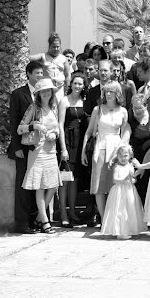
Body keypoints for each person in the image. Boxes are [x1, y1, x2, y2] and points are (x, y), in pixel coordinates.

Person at [17, 77, 63, 235]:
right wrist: (34, 126)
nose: (45, 93)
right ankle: (44, 221)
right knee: (40, 186)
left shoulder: (54, 107)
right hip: (37, 151)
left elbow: (57, 127)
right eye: (42, 91)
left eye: (48, 90)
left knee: (52, 185)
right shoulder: (33, 108)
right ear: (38, 93)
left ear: (51, 92)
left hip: (51, 151)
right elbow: (20, 128)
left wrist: (55, 134)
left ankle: (38, 217)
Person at [81, 81, 131, 225]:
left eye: (112, 91)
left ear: (117, 94)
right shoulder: (97, 109)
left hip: (116, 149)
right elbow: (89, 131)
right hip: (101, 147)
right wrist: (84, 151)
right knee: (99, 186)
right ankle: (104, 219)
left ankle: (115, 218)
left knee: (115, 184)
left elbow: (125, 131)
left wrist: (124, 149)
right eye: (106, 92)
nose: (108, 94)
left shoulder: (123, 111)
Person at [8, 60, 44, 233]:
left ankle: (35, 220)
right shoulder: (18, 94)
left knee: (36, 185)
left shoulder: (44, 95)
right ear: (28, 74)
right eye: (36, 73)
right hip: (23, 148)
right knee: (22, 186)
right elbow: (13, 121)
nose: (39, 76)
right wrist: (16, 148)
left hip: (39, 148)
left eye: (41, 73)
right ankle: (22, 223)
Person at [57, 71, 87, 226]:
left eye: (80, 84)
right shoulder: (64, 101)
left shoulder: (84, 101)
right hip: (68, 142)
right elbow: (60, 125)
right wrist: (63, 148)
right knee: (65, 180)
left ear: (83, 86)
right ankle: (63, 213)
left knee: (75, 180)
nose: (77, 86)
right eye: (75, 83)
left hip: (80, 143)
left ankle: (73, 212)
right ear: (71, 84)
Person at [99, 144, 146, 239]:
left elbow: (133, 178)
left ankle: (130, 229)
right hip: (119, 190)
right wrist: (124, 180)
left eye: (125, 156)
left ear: (130, 156)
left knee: (130, 209)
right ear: (117, 156)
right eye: (120, 156)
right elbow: (115, 180)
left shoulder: (130, 166)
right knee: (119, 210)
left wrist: (133, 180)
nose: (123, 158)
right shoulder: (117, 167)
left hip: (129, 190)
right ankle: (120, 231)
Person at [30, 33, 69, 101]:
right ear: (49, 46)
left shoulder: (64, 59)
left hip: (60, 89)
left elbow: (67, 75)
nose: (56, 49)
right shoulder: (43, 56)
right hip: (46, 89)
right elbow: (28, 58)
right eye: (54, 47)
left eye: (58, 47)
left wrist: (67, 89)